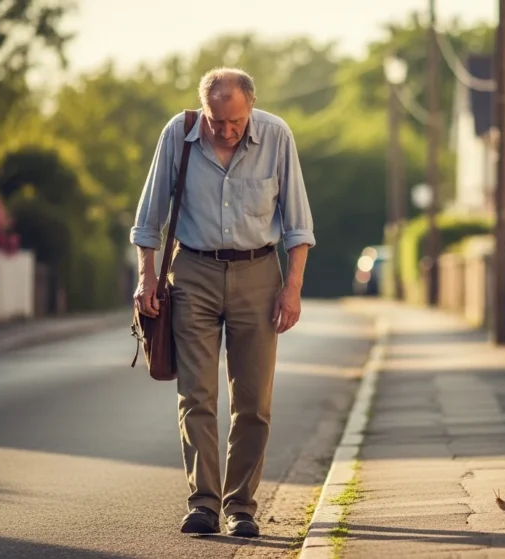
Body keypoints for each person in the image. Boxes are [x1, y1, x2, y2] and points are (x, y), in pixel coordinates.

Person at [130, 67, 315, 538]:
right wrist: (146, 278)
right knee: (196, 393)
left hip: (258, 273)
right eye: (217, 121)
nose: (226, 131)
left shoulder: (276, 136)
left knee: (253, 399)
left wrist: (291, 287)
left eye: (235, 122)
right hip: (192, 271)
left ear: (250, 107)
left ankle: (242, 507)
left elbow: (298, 224)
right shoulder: (179, 132)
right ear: (204, 109)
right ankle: (204, 504)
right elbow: (149, 215)